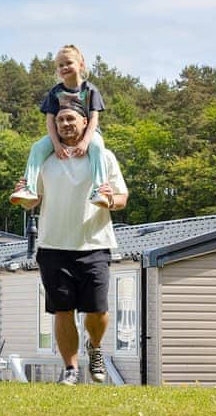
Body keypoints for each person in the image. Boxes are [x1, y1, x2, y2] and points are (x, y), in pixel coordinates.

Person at [12, 99, 128, 385]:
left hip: (94, 244)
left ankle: (95, 347)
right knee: (62, 311)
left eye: (71, 119)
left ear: (86, 122)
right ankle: (71, 368)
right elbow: (33, 200)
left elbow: (122, 198)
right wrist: (23, 194)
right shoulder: (45, 158)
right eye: (60, 119)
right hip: (53, 246)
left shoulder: (103, 157)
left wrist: (110, 200)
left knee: (98, 311)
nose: (65, 124)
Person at [10, 44, 111, 209]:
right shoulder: (55, 92)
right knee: (37, 147)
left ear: (81, 64)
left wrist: (85, 141)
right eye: (60, 65)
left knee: (98, 147)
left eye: (68, 63)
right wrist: (56, 144)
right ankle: (28, 187)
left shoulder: (90, 90)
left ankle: (100, 189)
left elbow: (94, 118)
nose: (64, 67)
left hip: (88, 133)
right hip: (60, 135)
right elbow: (50, 120)